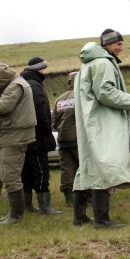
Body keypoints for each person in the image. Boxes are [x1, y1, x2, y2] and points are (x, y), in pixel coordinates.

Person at [73, 29, 130, 228]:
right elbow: (105, 92)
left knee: (88, 166)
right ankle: (102, 220)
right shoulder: (103, 63)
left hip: (90, 121)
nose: (121, 48)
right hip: (103, 122)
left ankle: (79, 217)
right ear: (107, 44)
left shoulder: (87, 64)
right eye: (118, 44)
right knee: (104, 166)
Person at [0, 63, 37, 225]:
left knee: (11, 177)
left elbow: (3, 106)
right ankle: (14, 214)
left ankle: (16, 216)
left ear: (1, 78)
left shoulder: (15, 86)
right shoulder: (16, 83)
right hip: (11, 135)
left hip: (13, 136)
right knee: (8, 175)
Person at [19, 57, 60, 215]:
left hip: (25, 136)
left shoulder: (23, 83)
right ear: (38, 69)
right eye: (44, 68)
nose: (46, 71)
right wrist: (47, 131)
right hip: (37, 136)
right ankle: (44, 206)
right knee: (41, 170)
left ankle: (27, 204)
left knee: (27, 171)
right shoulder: (35, 86)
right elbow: (41, 112)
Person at [52, 71, 79, 207]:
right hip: (79, 140)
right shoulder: (81, 96)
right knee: (85, 168)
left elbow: (54, 121)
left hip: (63, 140)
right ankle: (89, 197)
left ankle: (69, 199)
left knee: (66, 169)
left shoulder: (59, 99)